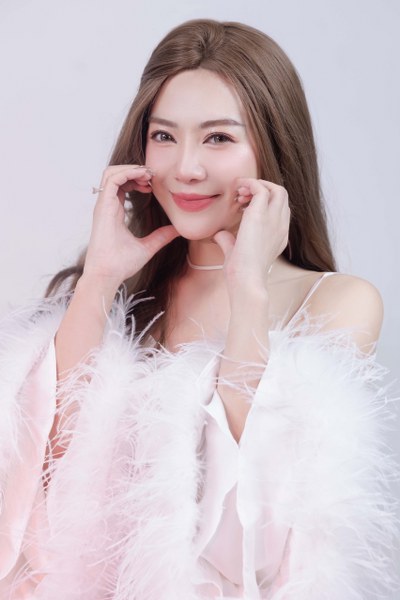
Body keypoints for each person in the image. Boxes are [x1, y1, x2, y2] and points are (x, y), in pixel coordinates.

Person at [0, 18, 398, 600]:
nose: (185, 167)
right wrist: (99, 280)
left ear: (273, 148)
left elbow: (257, 526)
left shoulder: (338, 304)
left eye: (218, 139)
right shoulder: (119, 293)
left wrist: (248, 293)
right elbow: (39, 490)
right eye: (164, 136)